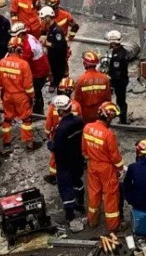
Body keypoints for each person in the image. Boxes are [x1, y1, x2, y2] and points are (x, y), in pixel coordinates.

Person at [82, 102, 125, 233]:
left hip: (92, 166)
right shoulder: (108, 134)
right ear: (109, 117)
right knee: (111, 195)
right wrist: (121, 168)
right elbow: (115, 157)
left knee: (94, 193)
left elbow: (84, 150)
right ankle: (113, 225)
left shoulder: (87, 127)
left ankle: (92, 220)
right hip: (106, 168)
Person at [49, 95, 86, 233]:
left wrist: (50, 145)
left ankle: (70, 214)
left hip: (64, 161)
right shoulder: (79, 121)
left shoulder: (62, 128)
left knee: (65, 186)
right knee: (77, 181)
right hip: (77, 158)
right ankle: (80, 205)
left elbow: (57, 147)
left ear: (61, 111)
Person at [0, 37, 40, 151]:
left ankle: (6, 141)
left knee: (7, 119)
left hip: (7, 95)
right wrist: (32, 98)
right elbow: (28, 87)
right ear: (18, 49)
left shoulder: (2, 62)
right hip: (21, 97)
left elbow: (0, 83)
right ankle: (29, 144)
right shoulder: (23, 64)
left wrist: (3, 94)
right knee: (26, 120)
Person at [44, 78, 81, 184]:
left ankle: (53, 176)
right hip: (71, 136)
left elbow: (48, 122)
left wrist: (47, 134)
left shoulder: (53, 106)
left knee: (55, 156)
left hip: (56, 135)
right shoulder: (76, 105)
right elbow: (79, 120)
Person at [12, 22, 50, 115]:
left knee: (35, 91)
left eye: (16, 36)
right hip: (41, 67)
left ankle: (38, 112)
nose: (14, 38)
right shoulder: (29, 36)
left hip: (38, 72)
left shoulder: (27, 47)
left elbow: (23, 65)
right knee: (37, 91)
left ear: (21, 34)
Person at [75, 51, 111, 123]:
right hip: (101, 112)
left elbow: (77, 101)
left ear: (85, 64)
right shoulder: (105, 79)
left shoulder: (81, 80)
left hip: (86, 114)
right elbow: (108, 99)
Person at [41, 6, 70, 93]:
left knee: (58, 74)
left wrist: (46, 43)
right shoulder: (51, 28)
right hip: (53, 57)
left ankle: (60, 89)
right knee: (54, 72)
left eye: (43, 18)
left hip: (58, 59)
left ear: (48, 17)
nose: (42, 20)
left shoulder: (57, 31)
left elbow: (59, 46)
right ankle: (54, 84)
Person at [106, 30, 131, 125]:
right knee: (121, 100)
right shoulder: (121, 51)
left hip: (119, 82)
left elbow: (117, 72)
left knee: (120, 101)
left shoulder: (117, 55)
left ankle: (122, 120)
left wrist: (111, 82)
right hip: (122, 80)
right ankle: (122, 118)